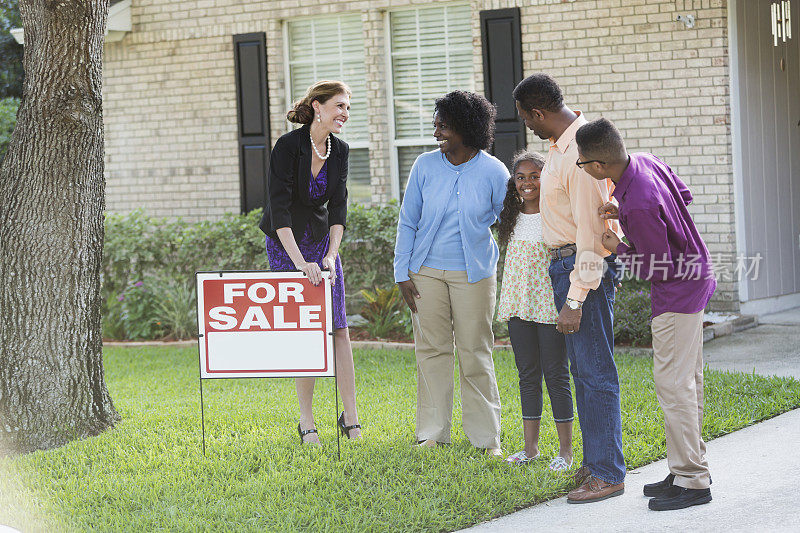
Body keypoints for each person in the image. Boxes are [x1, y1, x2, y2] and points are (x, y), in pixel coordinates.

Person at [576, 117, 715, 511]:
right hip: (696, 276)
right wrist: (623, 210)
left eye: (582, 163)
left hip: (677, 294)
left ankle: (693, 480)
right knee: (686, 381)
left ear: (599, 166)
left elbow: (659, 267)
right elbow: (681, 197)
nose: (583, 169)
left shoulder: (636, 205)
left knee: (674, 386)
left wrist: (617, 244)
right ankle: (687, 467)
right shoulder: (645, 162)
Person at [512, 73, 625, 503]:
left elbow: (593, 235)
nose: (529, 127)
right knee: (583, 370)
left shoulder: (579, 151)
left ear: (537, 112)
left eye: (527, 118)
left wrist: (576, 297)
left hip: (581, 272)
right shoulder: (560, 149)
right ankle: (597, 463)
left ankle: (608, 473)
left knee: (594, 373)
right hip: (565, 268)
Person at [394, 91, 509, 456]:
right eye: (436, 124)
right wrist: (402, 271)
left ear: (467, 126)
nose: (436, 131)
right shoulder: (424, 167)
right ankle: (432, 431)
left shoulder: (494, 171)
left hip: (474, 274)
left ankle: (486, 438)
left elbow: (505, 219)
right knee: (431, 350)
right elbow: (408, 220)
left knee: (476, 351)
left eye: (443, 125)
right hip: (424, 272)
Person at [259, 80, 362, 445]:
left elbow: (339, 209)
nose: (345, 114)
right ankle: (307, 421)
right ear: (317, 107)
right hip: (286, 245)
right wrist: (301, 263)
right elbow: (279, 208)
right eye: (339, 106)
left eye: (348, 107)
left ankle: (350, 417)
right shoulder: (288, 147)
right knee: (305, 332)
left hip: (322, 243)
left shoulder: (341, 150)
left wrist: (331, 255)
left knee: (339, 327)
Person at [496, 150, 574, 470]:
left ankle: (566, 452)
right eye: (521, 177)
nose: (527, 183)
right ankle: (530, 450)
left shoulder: (555, 213)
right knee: (527, 375)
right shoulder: (510, 217)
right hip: (519, 305)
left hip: (549, 306)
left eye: (535, 176)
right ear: (513, 182)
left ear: (546, 179)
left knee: (556, 375)